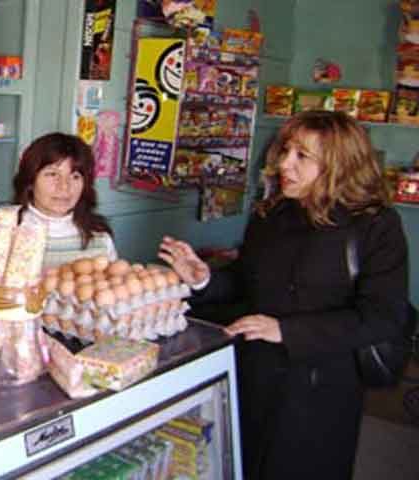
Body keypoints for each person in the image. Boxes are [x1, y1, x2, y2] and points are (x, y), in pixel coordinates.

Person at [158, 111, 408, 480]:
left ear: (340, 165)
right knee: (243, 460)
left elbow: (382, 317)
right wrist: (204, 279)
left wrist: (286, 331)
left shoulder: (375, 225)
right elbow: (246, 282)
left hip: (322, 386)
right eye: (286, 151)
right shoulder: (271, 213)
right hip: (256, 372)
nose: (284, 164)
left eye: (302, 156)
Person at [13, 132, 117, 268]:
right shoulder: (4, 232)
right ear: (30, 181)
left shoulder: (100, 236)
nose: (64, 186)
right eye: (52, 174)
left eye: (75, 176)